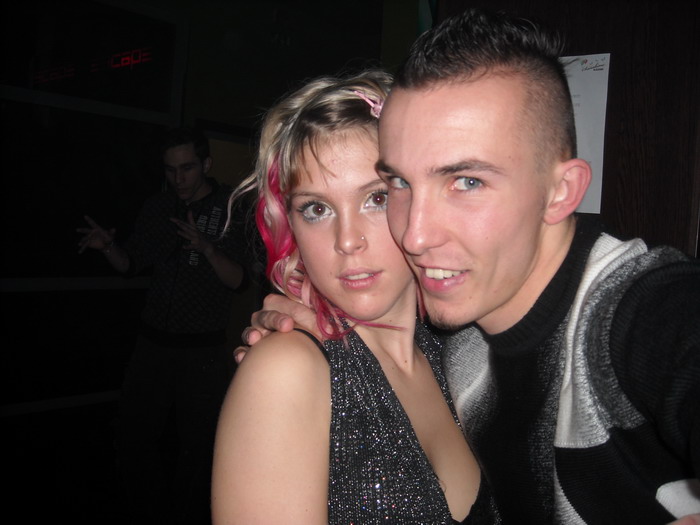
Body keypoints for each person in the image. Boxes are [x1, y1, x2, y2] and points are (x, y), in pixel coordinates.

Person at [239, 8, 700, 525]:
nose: (415, 235)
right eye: (400, 184)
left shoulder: (637, 308)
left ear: (561, 190)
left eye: (466, 181)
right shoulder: (456, 341)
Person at [211, 69, 500, 524]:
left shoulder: (462, 351)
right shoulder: (286, 371)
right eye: (317, 209)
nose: (347, 241)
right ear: (292, 227)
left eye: (376, 199)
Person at [77, 126, 245, 524]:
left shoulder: (229, 209)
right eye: (170, 170)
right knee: (133, 438)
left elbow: (239, 280)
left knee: (198, 448)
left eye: (187, 168)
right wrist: (109, 247)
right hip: (152, 345)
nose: (178, 178)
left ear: (206, 164)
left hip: (202, 351)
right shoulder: (158, 206)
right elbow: (131, 263)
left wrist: (206, 248)